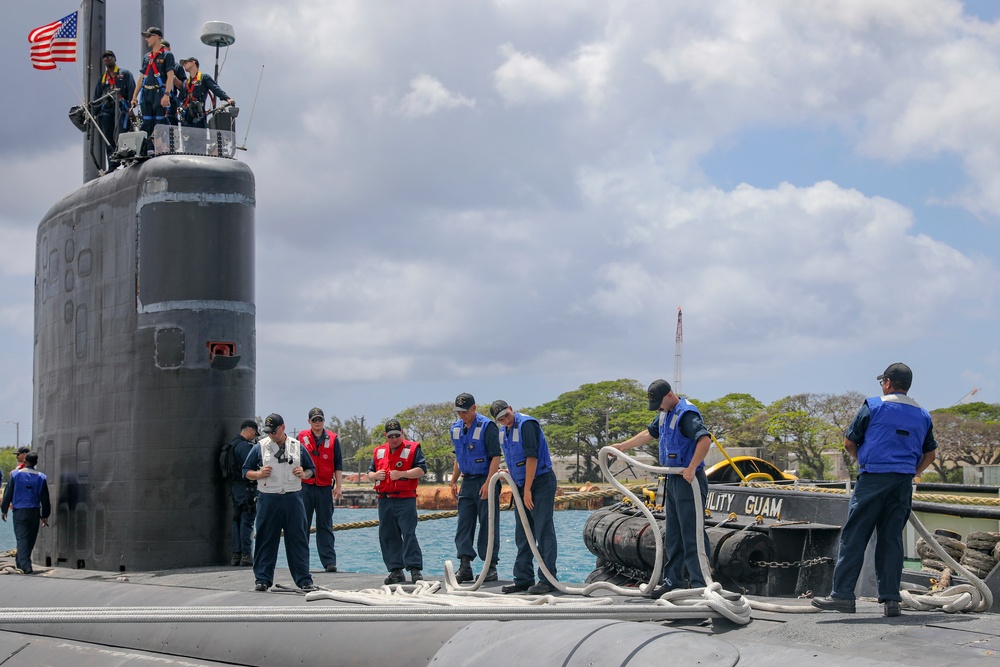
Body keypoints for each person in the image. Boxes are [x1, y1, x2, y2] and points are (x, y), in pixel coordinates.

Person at [813, 363, 936, 617]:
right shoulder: (923, 415)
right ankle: (891, 600)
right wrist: (912, 471)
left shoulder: (874, 406)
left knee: (855, 535)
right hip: (902, 483)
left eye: (883, 382)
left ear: (888, 382)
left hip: (873, 478)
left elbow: (849, 442)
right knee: (891, 539)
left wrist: (865, 460)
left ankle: (843, 595)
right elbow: (930, 454)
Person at [612, 380, 712, 595]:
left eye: (659, 403)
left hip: (688, 480)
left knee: (692, 533)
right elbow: (649, 433)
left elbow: (704, 440)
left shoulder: (686, 414)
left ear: (669, 395)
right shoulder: (665, 414)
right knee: (674, 534)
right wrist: (623, 447)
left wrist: (692, 467)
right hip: (672, 479)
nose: (658, 408)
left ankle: (701, 585)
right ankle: (673, 581)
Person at [242, 413, 317, 592]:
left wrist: (303, 474)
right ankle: (262, 578)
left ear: (283, 428)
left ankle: (303, 579)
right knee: (265, 539)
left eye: (273, 432)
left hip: (293, 498)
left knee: (297, 539)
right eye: (268, 432)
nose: (271, 435)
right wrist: (258, 474)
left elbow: (311, 470)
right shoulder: (260, 447)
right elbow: (245, 471)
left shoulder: (297, 447)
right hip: (269, 497)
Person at [489, 400, 558, 595]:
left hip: (540, 483)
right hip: (521, 485)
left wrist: (527, 489)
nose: (505, 421)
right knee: (523, 533)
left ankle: (548, 578)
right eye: (501, 419)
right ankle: (523, 578)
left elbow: (532, 458)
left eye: (507, 416)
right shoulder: (503, 432)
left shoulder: (527, 424)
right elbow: (514, 457)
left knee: (543, 529)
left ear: (511, 409)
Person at [449, 393, 501, 582]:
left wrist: (489, 483)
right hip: (467, 482)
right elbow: (458, 456)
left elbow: (496, 456)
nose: (462, 415)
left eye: (465, 411)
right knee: (464, 524)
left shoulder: (487, 426)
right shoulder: (455, 428)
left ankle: (490, 566)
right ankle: (465, 565)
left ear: (474, 408)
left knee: (488, 524)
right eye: (459, 412)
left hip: (485, 479)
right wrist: (454, 480)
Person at [367, 419, 426, 584]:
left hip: (405, 499)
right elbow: (370, 472)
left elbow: (421, 470)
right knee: (387, 535)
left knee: (408, 534)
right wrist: (374, 476)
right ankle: (396, 571)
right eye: (391, 436)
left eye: (397, 435)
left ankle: (415, 570)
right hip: (385, 500)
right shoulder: (378, 451)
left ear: (403, 433)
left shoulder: (413, 448)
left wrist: (402, 474)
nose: (394, 439)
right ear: (385, 435)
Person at [297, 407, 344, 573]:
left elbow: (338, 464)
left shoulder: (332, 439)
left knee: (325, 525)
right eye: (314, 420)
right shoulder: (301, 438)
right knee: (303, 525)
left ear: (324, 421)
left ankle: (329, 561)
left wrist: (338, 486)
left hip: (324, 488)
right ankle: (301, 561)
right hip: (305, 487)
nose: (318, 422)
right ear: (309, 421)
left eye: (320, 419)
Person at [1, 452, 51, 574]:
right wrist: (45, 515)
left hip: (20, 512)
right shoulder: (41, 477)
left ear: (24, 461)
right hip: (34, 512)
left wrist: (4, 510)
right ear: (36, 463)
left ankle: (24, 566)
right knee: (30, 539)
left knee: (22, 538)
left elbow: (8, 493)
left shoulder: (16, 475)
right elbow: (45, 498)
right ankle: (23, 563)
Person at [129, 27, 177, 139]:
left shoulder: (167, 55)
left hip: (159, 92)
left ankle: (161, 148)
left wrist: (167, 94)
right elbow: (142, 76)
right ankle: (148, 150)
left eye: (149, 36)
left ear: (157, 37)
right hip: (146, 93)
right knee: (146, 123)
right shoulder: (147, 57)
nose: (147, 39)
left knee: (160, 123)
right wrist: (134, 97)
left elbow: (170, 76)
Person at [91, 50, 135, 168]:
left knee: (122, 134)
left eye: (109, 56)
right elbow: (97, 97)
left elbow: (132, 91)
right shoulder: (102, 79)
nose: (107, 59)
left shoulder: (125, 74)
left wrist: (131, 108)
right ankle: (112, 164)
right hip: (107, 111)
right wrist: (94, 115)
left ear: (115, 59)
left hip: (121, 109)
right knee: (108, 137)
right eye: (105, 57)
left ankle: (126, 159)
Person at [229, 419, 259, 567]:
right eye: (254, 434)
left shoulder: (232, 445)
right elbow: (252, 464)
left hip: (235, 488)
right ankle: (246, 555)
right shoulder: (243, 446)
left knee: (237, 520)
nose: (254, 437)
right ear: (251, 430)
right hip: (247, 488)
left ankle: (236, 555)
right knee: (247, 520)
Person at [178, 57, 234, 128]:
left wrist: (227, 98)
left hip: (198, 113)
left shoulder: (204, 78)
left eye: (186, 62)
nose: (184, 65)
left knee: (199, 134)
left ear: (193, 63)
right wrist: (179, 107)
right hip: (186, 116)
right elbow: (180, 98)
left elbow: (215, 89)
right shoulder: (185, 82)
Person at [160, 40, 186, 125]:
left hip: (170, 102)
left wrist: (173, 78)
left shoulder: (177, 67)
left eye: (164, 48)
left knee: (170, 128)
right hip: (155, 100)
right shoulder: (153, 64)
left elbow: (183, 87)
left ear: (169, 49)